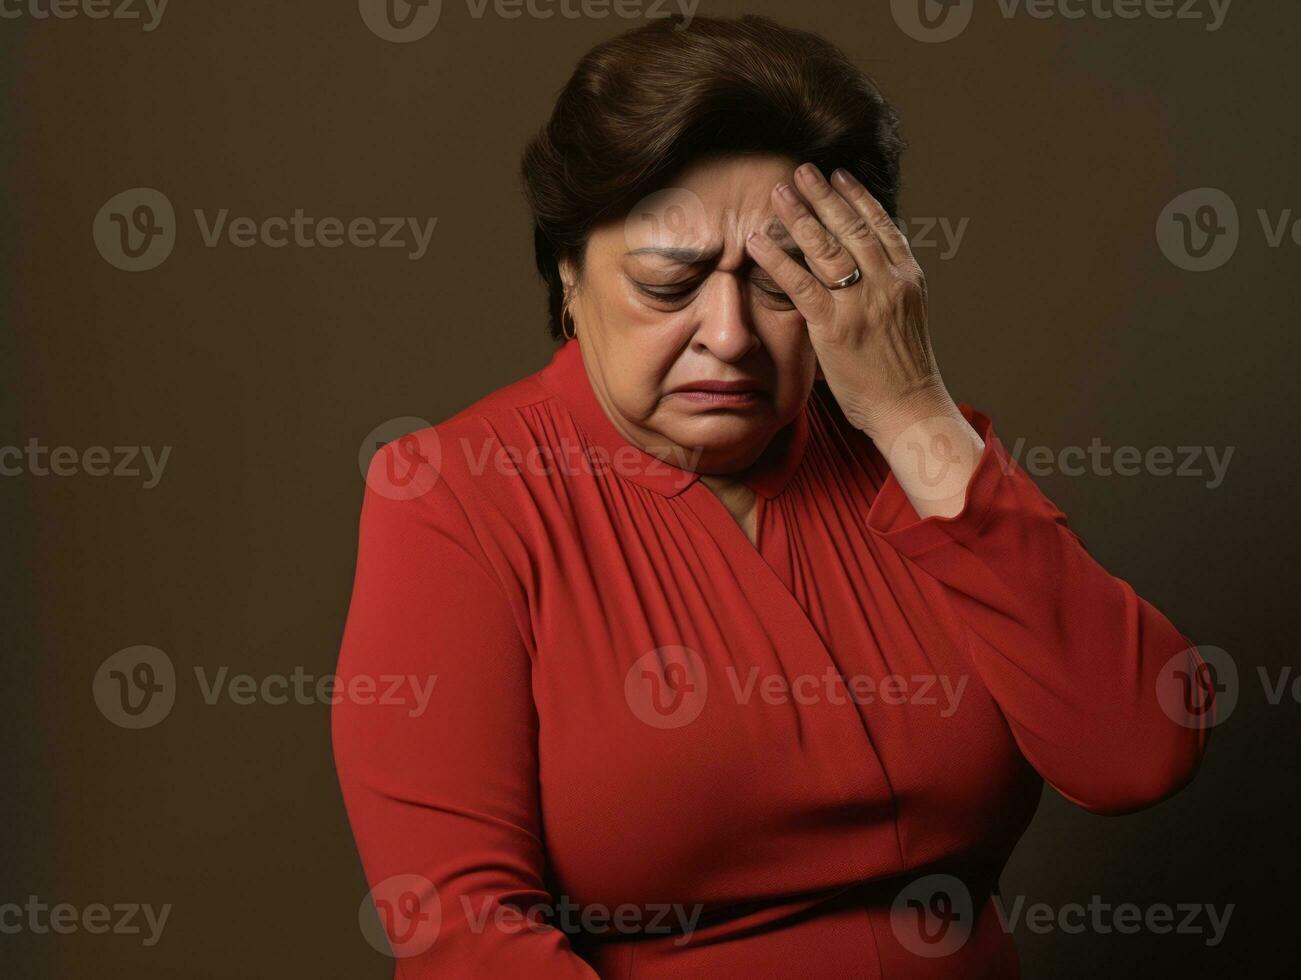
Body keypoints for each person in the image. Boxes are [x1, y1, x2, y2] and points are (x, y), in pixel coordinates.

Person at [332, 14, 1212, 978]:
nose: (730, 336)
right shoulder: (456, 497)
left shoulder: (917, 457)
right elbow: (463, 931)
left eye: (782, 285)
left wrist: (914, 411)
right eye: (670, 284)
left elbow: (1138, 753)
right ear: (568, 270)